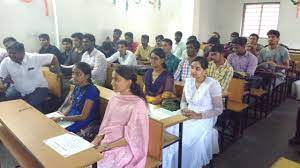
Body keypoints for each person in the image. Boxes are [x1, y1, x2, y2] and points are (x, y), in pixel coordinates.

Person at [163, 56, 223, 168]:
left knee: (186, 140)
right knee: (167, 129)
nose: (193, 71)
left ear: (205, 71)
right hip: (187, 113)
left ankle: (182, 164)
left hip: (204, 117)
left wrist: (199, 115)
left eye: (198, 69)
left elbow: (218, 109)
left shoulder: (213, 85)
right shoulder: (189, 81)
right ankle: (168, 163)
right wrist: (183, 108)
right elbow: (183, 101)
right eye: (192, 68)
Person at [92, 65, 149, 168]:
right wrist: (96, 140)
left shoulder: (138, 105)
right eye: (112, 79)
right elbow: (106, 122)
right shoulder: (115, 98)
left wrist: (105, 147)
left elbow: (132, 138)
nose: (111, 83)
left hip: (125, 147)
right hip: (107, 141)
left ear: (129, 82)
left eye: (116, 80)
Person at [0, 42, 60, 111]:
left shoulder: (33, 57)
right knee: (9, 98)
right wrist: (3, 82)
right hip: (19, 89)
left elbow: (53, 57)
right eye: (9, 53)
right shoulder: (6, 62)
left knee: (30, 106)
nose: (11, 55)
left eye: (14, 53)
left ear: (22, 52)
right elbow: (1, 77)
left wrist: (58, 72)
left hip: (39, 88)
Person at [51, 62, 100, 134]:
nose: (74, 76)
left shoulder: (91, 91)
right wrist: (60, 113)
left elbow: (83, 116)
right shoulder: (77, 86)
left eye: (78, 74)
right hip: (72, 116)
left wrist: (61, 118)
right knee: (51, 123)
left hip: (83, 121)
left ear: (87, 76)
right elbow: (71, 103)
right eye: (73, 73)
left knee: (58, 131)